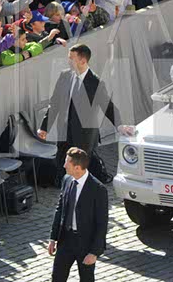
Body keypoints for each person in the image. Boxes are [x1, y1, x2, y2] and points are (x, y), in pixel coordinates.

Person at [37, 44, 121, 184]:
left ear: (82, 61)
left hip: (84, 134)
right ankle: (64, 185)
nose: (68, 61)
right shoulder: (65, 76)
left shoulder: (95, 82)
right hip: (64, 130)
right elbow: (55, 102)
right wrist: (44, 127)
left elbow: (107, 106)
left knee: (82, 165)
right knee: (62, 161)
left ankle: (88, 183)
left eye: (71, 58)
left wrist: (120, 125)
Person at [48, 147, 108, 282]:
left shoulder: (98, 189)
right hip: (66, 239)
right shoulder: (67, 180)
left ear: (77, 167)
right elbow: (60, 209)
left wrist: (94, 252)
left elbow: (102, 223)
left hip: (85, 243)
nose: (64, 166)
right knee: (57, 280)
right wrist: (53, 238)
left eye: (67, 163)